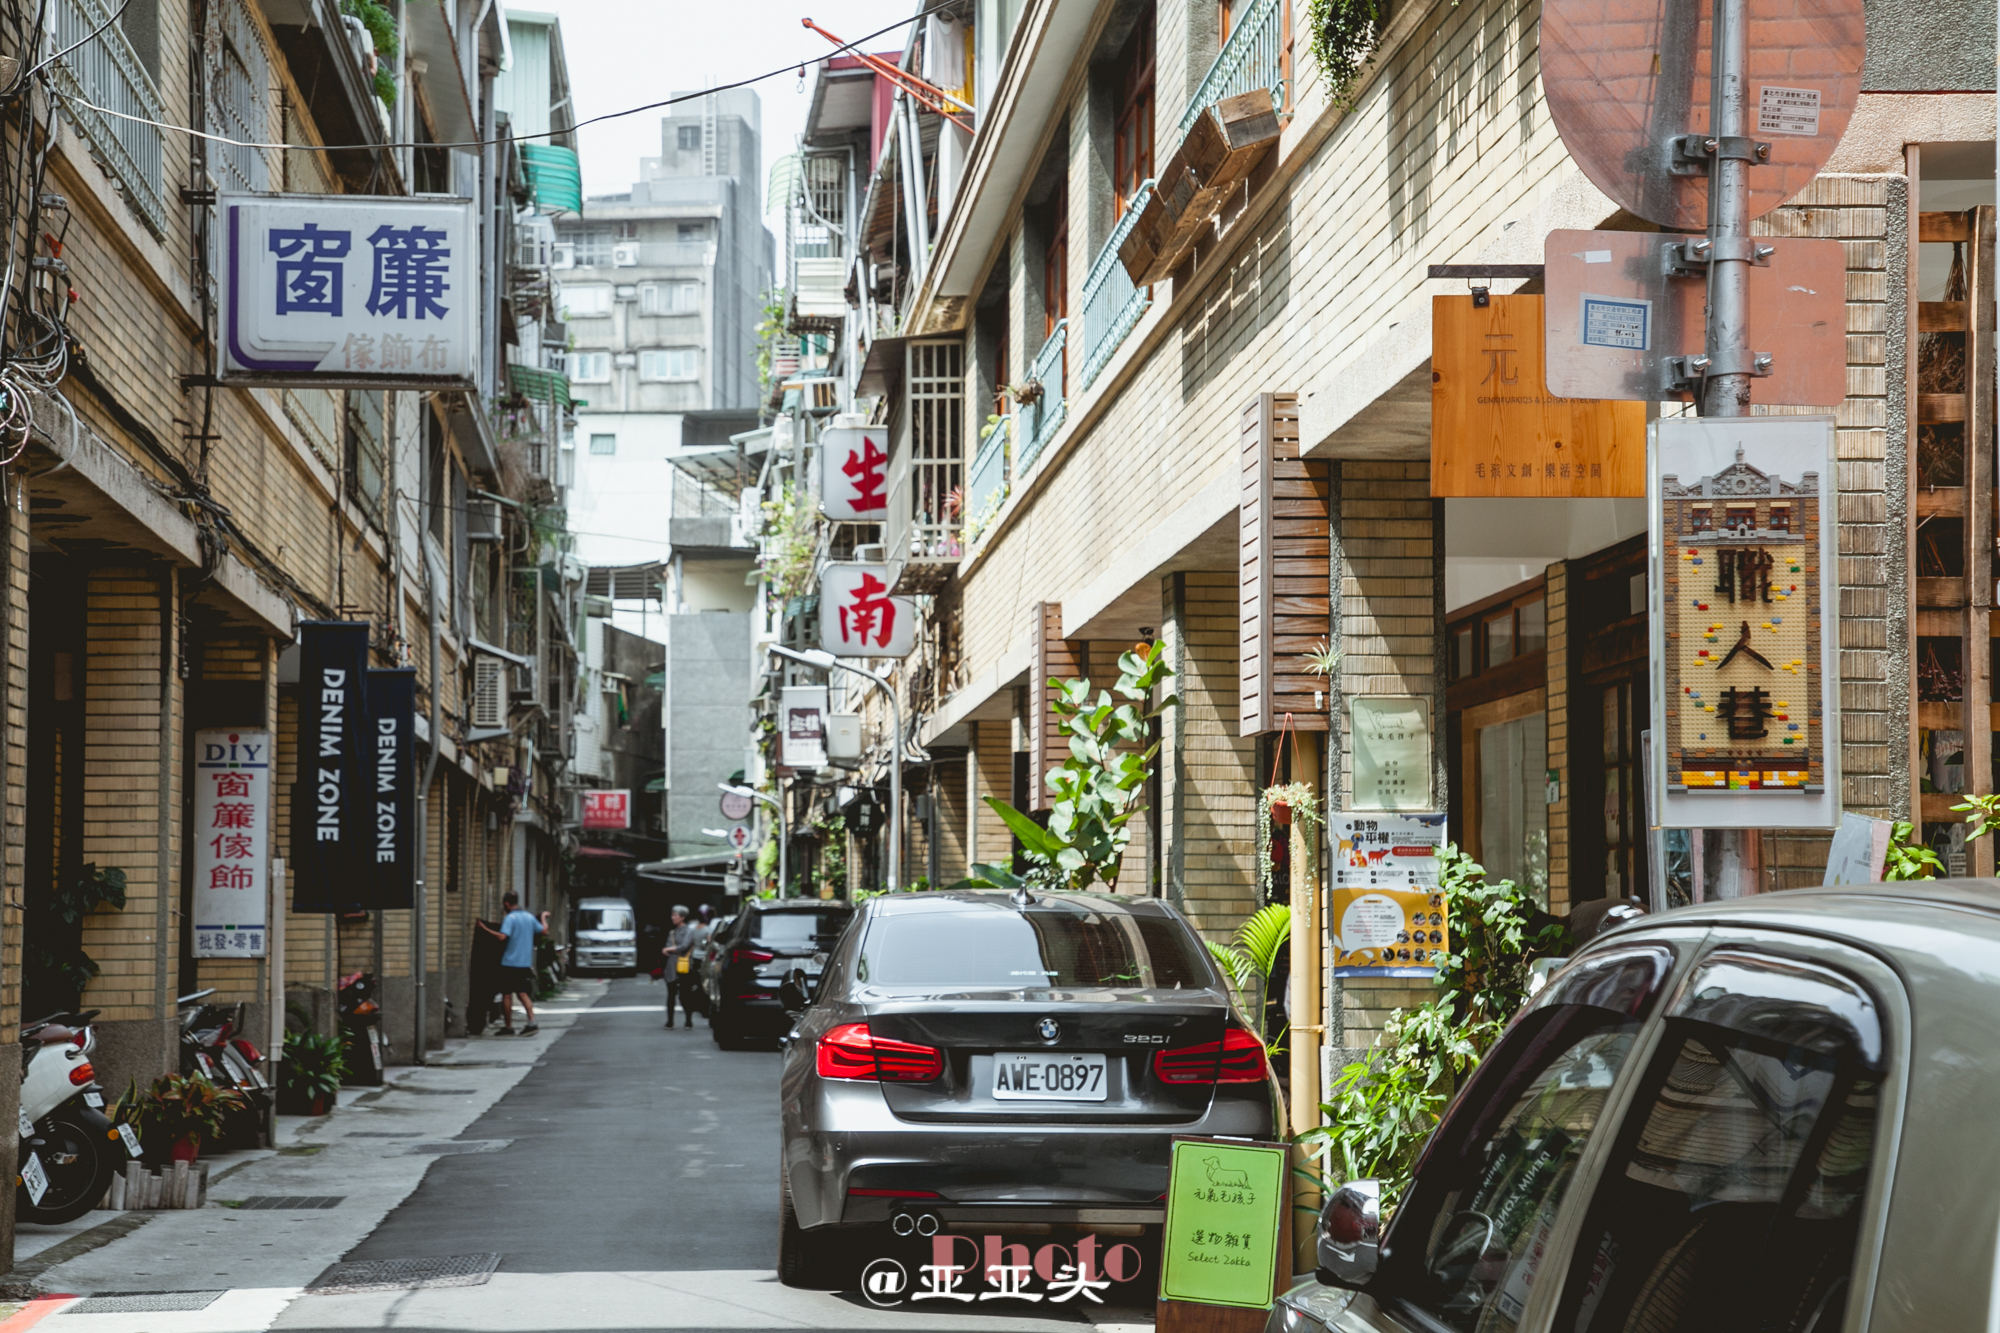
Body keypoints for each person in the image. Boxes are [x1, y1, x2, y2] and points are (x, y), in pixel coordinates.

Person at [477, 892, 549, 1035]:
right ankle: (532, 1022)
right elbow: (544, 930)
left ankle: (508, 1026)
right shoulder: (529, 917)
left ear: (506, 904)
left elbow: (502, 937)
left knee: (507, 994)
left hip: (509, 963)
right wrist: (543, 917)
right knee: (522, 993)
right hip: (524, 963)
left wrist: (485, 929)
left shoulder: (510, 918)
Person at [662, 905, 697, 1029]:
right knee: (671, 995)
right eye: (672, 915)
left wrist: (669, 949)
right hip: (671, 966)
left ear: (682, 917)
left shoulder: (689, 931)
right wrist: (670, 949)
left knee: (685, 995)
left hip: (685, 965)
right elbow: (669, 945)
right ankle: (670, 1021)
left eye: (675, 915)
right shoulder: (672, 932)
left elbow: (684, 946)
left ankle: (688, 1020)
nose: (672, 918)